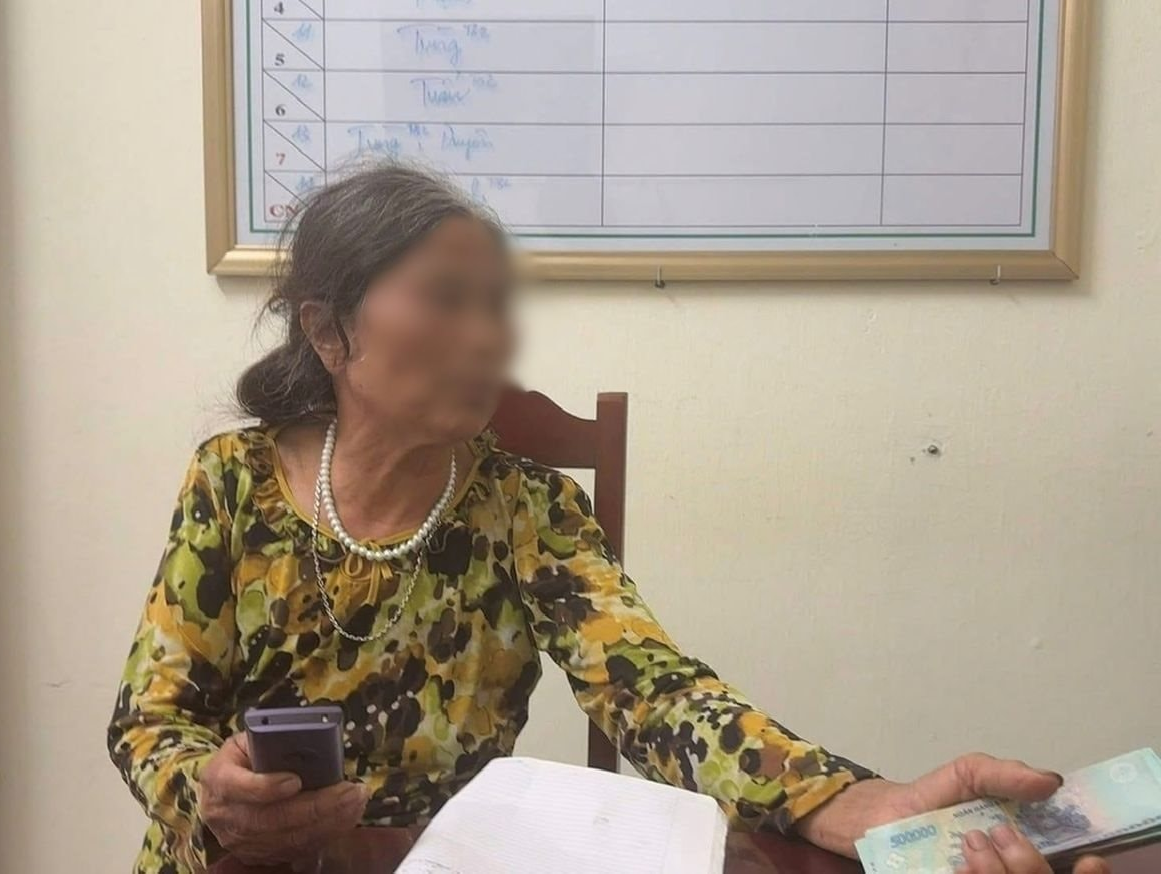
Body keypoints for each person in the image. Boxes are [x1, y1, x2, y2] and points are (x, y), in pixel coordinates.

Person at [107, 163, 1109, 874]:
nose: (488, 335)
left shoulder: (529, 509)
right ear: (329, 331)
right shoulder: (232, 480)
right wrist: (213, 796)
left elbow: (655, 694)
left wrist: (845, 799)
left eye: (495, 304)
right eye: (446, 300)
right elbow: (149, 720)